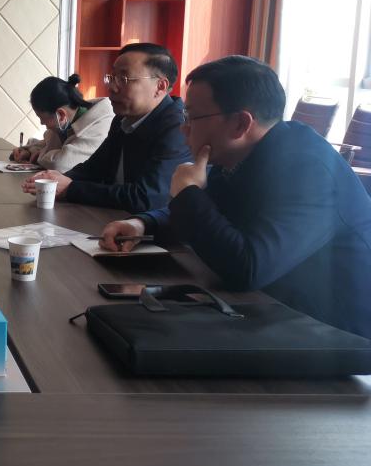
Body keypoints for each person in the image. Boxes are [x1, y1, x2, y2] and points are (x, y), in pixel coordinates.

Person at [100, 55, 371, 338]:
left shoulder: (308, 170)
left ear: (241, 124)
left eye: (192, 117)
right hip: (278, 313)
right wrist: (144, 224)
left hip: (341, 337)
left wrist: (188, 194)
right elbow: (212, 208)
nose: (183, 128)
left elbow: (247, 269)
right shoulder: (244, 155)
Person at [22, 43, 191, 211]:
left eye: (123, 79)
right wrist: (54, 180)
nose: (111, 87)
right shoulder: (122, 120)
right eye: (112, 77)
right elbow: (93, 169)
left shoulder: (178, 128)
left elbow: (146, 197)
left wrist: (70, 188)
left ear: (160, 87)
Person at [10, 74, 115, 173]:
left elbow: (60, 164)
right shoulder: (69, 121)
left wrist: (39, 156)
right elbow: (47, 144)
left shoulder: (101, 125)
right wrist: (29, 151)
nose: (42, 123)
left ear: (61, 115)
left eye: (41, 118)